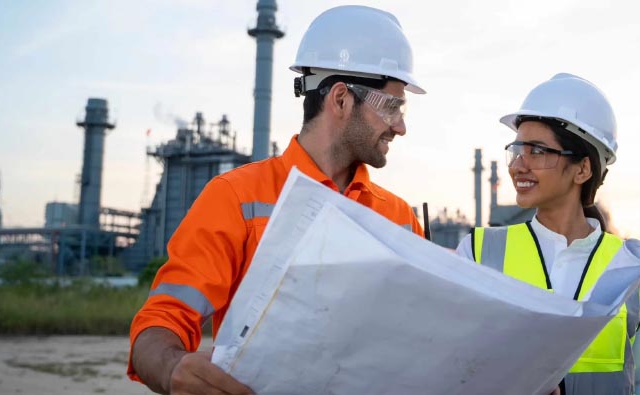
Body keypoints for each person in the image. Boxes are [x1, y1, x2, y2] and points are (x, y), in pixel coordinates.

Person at [127, 6, 426, 394]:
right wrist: (170, 368)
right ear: (340, 99)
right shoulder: (236, 197)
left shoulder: (400, 217)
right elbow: (162, 320)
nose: (400, 126)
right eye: (392, 106)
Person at [456, 73, 640, 395]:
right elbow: (455, 369)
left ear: (583, 169)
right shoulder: (479, 252)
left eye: (537, 151)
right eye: (517, 149)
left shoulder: (633, 264)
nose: (517, 166)